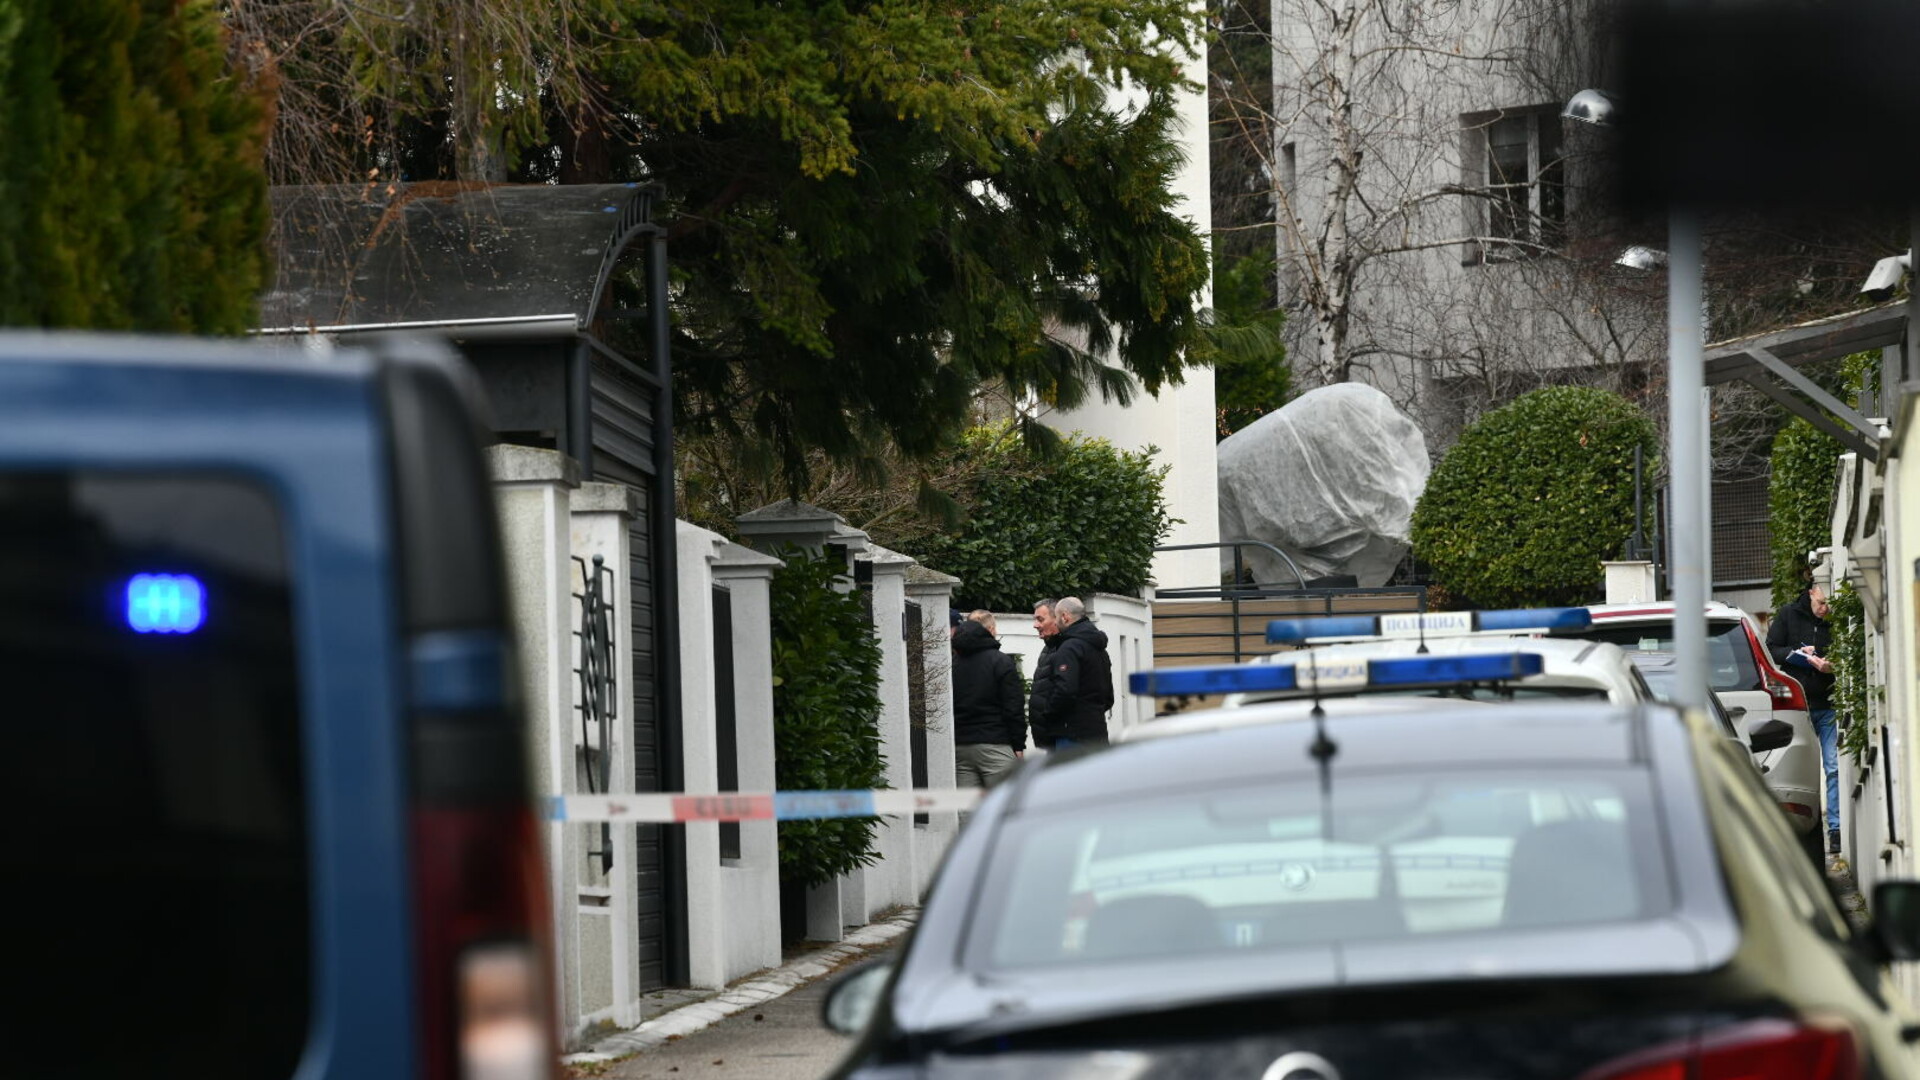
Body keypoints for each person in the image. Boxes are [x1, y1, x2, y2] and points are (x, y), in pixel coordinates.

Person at [1768, 583, 1838, 853]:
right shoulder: (1788, 614)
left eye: (1828, 604)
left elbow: (1844, 654)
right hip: (1799, 707)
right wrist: (1795, 655)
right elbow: (1771, 648)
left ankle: (1835, 830)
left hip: (1828, 704)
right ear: (1811, 594)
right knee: (1799, 772)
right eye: (1821, 603)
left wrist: (1831, 666)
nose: (1825, 609)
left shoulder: (1834, 619)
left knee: (1832, 767)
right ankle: (1794, 834)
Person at [951, 611, 1026, 786]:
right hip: (995, 743)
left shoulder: (952, 663)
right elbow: (1013, 707)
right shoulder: (1001, 661)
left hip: (960, 746)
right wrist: (1018, 745)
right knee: (1004, 801)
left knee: (968, 803)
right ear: (990, 630)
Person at [1034, 596, 1114, 749]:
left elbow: (1064, 690)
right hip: (1097, 732)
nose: (1056, 622)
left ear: (1065, 617)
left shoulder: (1069, 648)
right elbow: (1108, 695)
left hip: (1071, 734)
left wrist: (1048, 713)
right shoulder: (1099, 648)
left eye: (1056, 617)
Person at [1028, 598, 1064, 749]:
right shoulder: (1048, 649)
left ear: (1058, 619)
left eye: (1040, 619)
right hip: (1048, 740)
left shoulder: (1067, 649)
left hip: (1062, 738)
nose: (1035, 625)